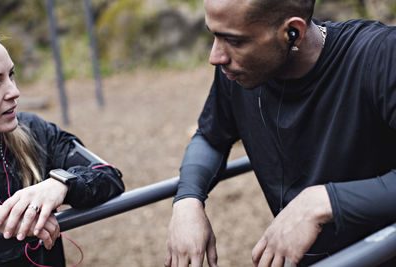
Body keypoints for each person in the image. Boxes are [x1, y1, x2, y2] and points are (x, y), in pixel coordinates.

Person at [164, 0, 396, 266]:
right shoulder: (237, 72)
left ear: (293, 32)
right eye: (214, 35)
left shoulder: (381, 55)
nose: (215, 57)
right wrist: (188, 201)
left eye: (235, 41)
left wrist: (323, 201)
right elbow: (210, 136)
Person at [0, 38, 125, 266]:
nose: (14, 91)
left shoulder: (35, 131)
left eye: (12, 74)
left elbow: (108, 175)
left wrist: (61, 184)